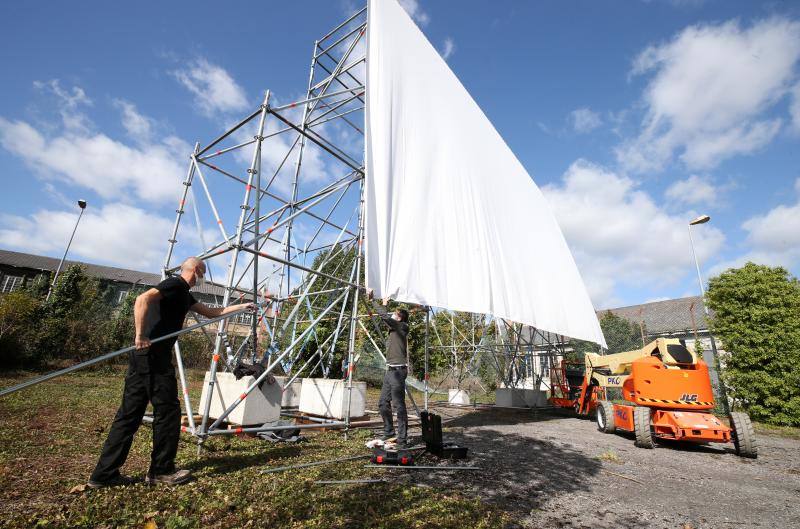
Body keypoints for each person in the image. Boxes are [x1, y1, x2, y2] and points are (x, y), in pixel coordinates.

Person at [87, 257, 254, 488]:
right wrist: (141, 335)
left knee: (129, 415)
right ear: (196, 270)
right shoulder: (175, 284)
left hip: (145, 358)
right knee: (168, 413)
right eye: (203, 272)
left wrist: (242, 306)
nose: (203, 277)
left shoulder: (184, 294)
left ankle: (103, 474)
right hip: (153, 356)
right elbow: (142, 299)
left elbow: (214, 313)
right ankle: (161, 471)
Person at [367, 292, 410, 448]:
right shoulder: (394, 329)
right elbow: (386, 320)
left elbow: (385, 317)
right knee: (383, 403)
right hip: (390, 370)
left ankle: (402, 439)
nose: (393, 314)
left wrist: (374, 301)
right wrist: (384, 306)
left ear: (400, 318)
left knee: (399, 405)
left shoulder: (402, 327)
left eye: (396, 314)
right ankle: (389, 431)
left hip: (398, 372)